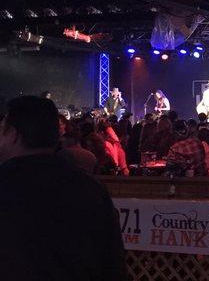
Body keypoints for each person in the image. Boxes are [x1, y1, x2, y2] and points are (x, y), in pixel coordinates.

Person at [0, 96, 127, 280]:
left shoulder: (6, 185)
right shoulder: (91, 189)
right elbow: (112, 263)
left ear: (14, 134)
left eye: (2, 130)